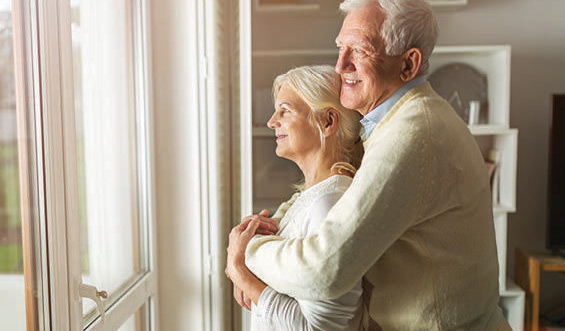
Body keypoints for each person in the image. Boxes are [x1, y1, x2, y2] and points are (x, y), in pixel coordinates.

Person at [227, 0, 511, 330]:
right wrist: (275, 220)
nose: (340, 66)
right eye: (340, 48)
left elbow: (325, 270)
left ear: (408, 65)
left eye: (359, 51)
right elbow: (335, 176)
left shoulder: (412, 135)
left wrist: (247, 254)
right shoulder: (394, 120)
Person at [226, 65, 365, 330]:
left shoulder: (331, 205)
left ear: (327, 122)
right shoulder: (309, 198)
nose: (271, 122)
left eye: (285, 110)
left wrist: (242, 274)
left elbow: (317, 328)